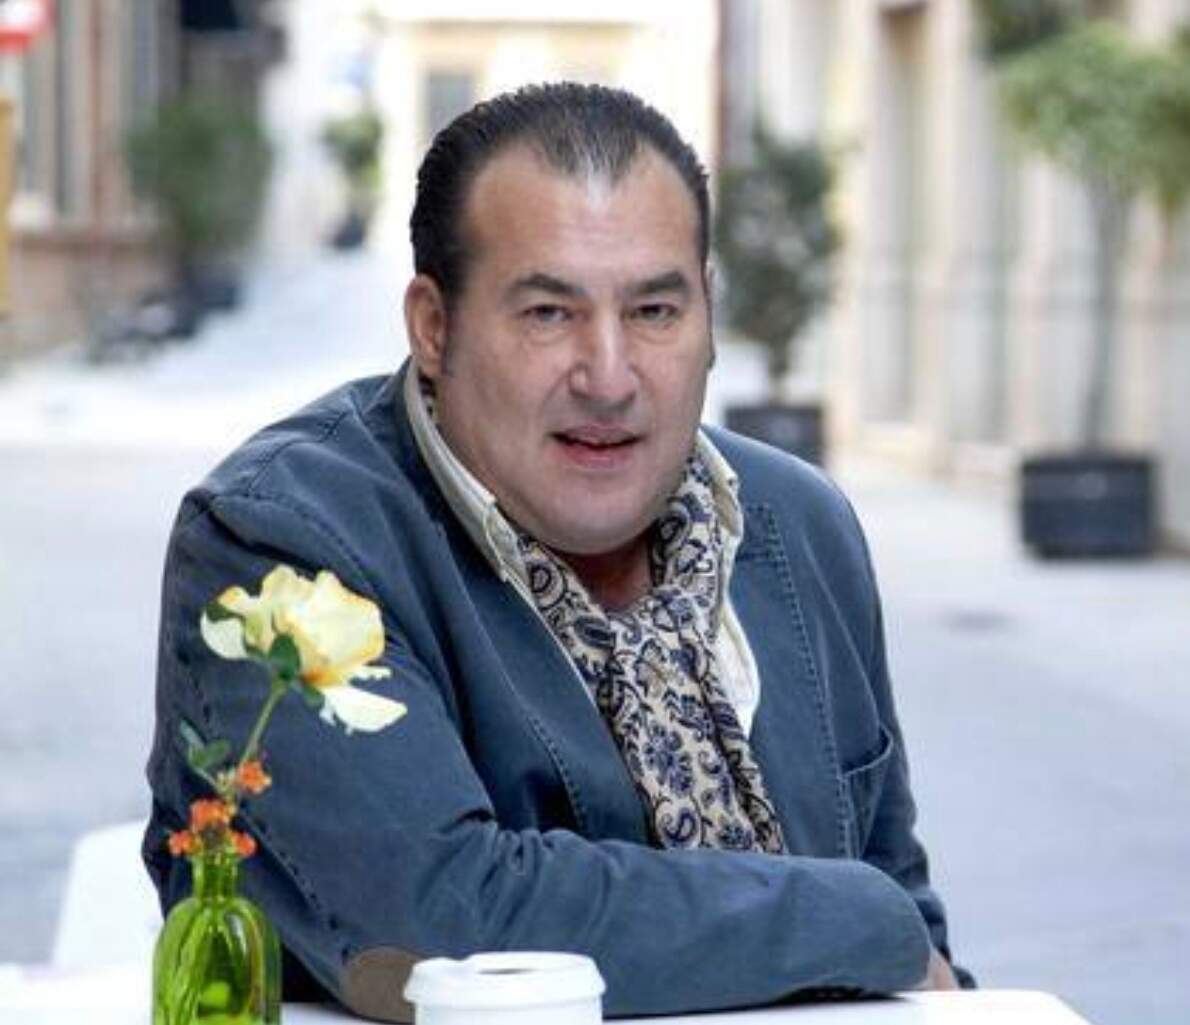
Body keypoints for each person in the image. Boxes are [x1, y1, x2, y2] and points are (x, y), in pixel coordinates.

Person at [144, 82, 969, 1021]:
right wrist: (862, 918)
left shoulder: (797, 524)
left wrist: (893, 928)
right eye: (547, 313)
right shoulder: (282, 544)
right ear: (434, 326)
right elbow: (444, 923)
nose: (608, 377)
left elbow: (924, 955)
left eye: (654, 311)